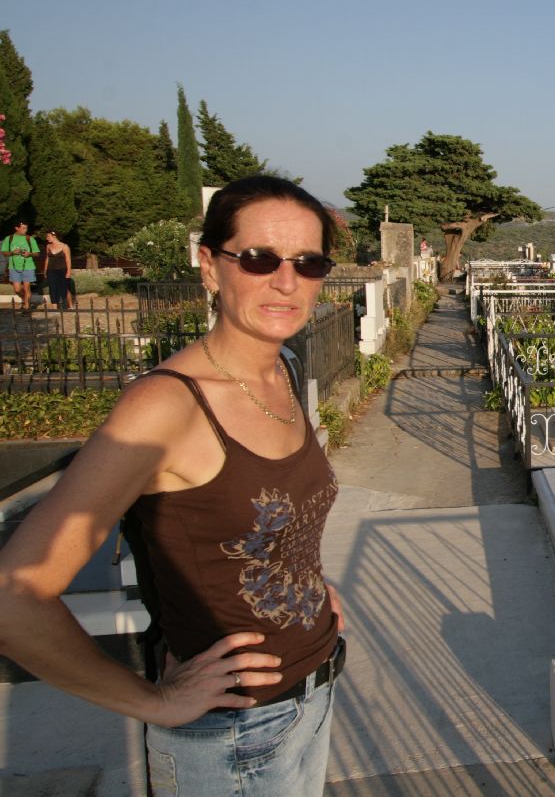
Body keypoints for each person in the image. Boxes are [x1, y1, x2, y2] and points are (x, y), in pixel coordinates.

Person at [0, 176, 344, 796]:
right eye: (259, 259)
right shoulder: (165, 407)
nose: (286, 282)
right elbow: (14, 597)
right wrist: (152, 701)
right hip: (233, 737)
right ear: (210, 266)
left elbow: (255, 528)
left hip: (312, 698)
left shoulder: (284, 371)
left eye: (308, 262)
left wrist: (307, 589)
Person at [2, 220, 39, 311]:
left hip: (28, 266)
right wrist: (12, 252)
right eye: (23, 228)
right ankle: (24, 299)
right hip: (14, 267)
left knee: (27, 288)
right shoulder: (9, 238)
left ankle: (27, 308)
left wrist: (29, 254)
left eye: (26, 228)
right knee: (17, 289)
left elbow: (37, 253)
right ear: (16, 228)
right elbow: (4, 253)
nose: (25, 230)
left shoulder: (30, 239)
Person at [42, 230, 73, 310]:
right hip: (51, 270)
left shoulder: (65, 246)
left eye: (48, 236)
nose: (47, 238)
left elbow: (68, 260)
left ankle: (70, 305)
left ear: (54, 236)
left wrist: (69, 272)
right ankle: (55, 308)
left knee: (64, 288)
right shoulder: (48, 246)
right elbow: (47, 259)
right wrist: (45, 270)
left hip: (62, 270)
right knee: (52, 288)